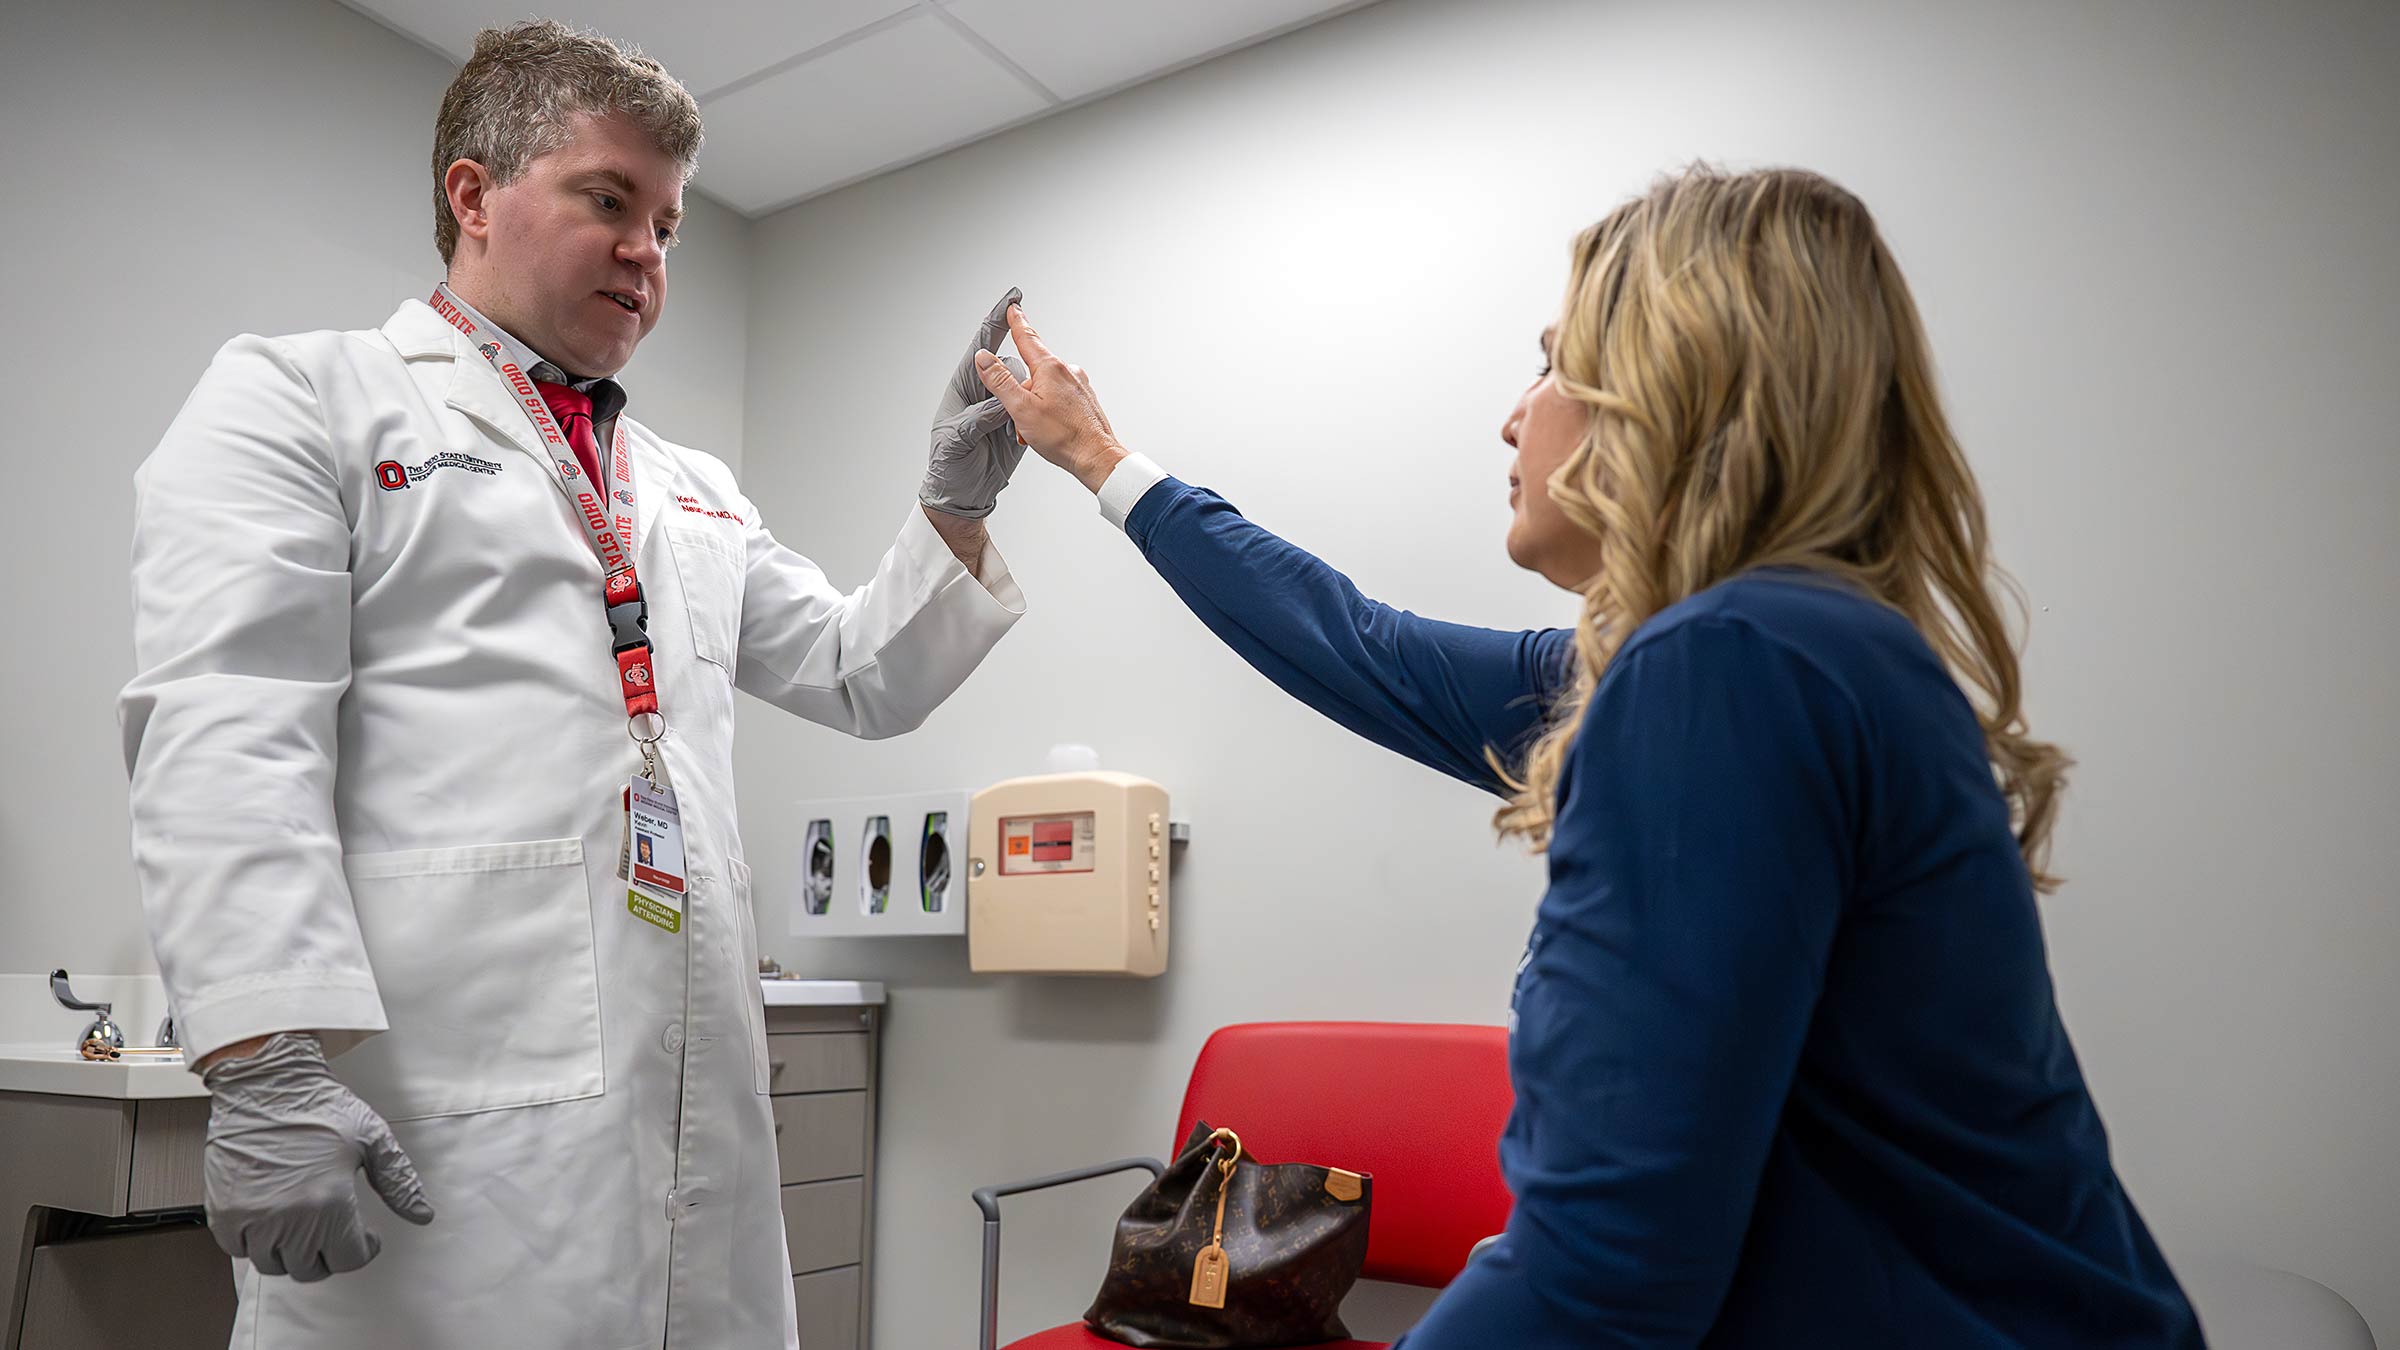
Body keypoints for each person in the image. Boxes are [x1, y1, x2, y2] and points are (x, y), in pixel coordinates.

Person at [976, 166, 2205, 1346]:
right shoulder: (1770, 656)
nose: (1516, 412)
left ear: (1675, 389)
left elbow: (1609, 1265)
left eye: (1555, 365)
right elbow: (1357, 645)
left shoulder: (1728, 666)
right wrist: (1100, 458)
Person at [117, 20, 1028, 1349]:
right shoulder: (307, 399)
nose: (648, 252)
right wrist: (262, 1055)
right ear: (472, 195)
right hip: (448, 1148)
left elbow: (854, 671)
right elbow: (225, 725)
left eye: (667, 223)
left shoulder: (690, 489)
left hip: (689, 1153)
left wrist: (951, 504)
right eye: (611, 199)